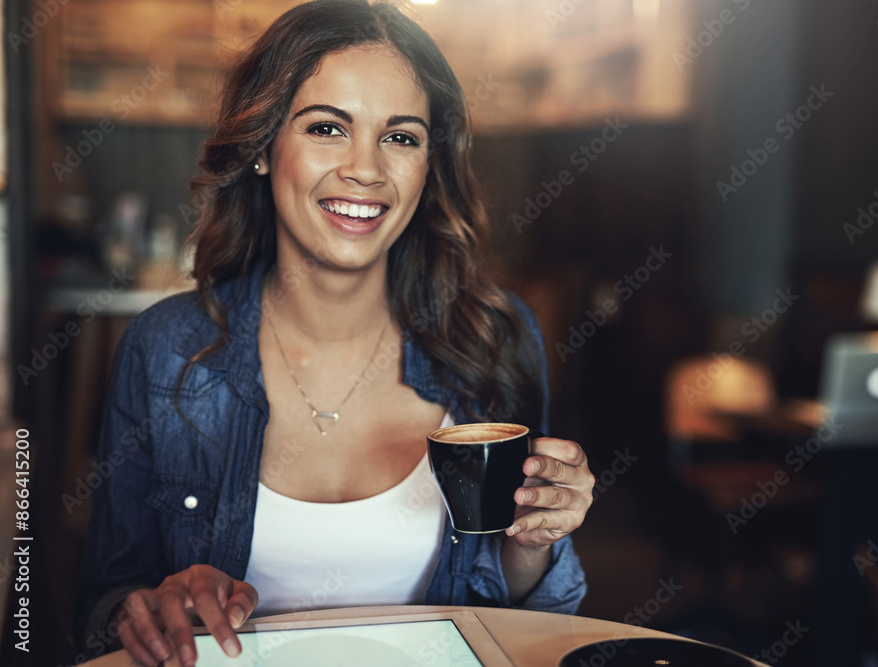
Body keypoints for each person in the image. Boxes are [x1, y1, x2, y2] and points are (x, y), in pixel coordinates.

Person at [74, 2, 594, 665]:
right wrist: (144, 609)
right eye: (327, 127)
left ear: (429, 164)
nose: (366, 169)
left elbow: (520, 625)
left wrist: (534, 542)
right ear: (263, 147)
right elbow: (99, 600)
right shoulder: (165, 351)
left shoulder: (493, 338)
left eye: (401, 137)